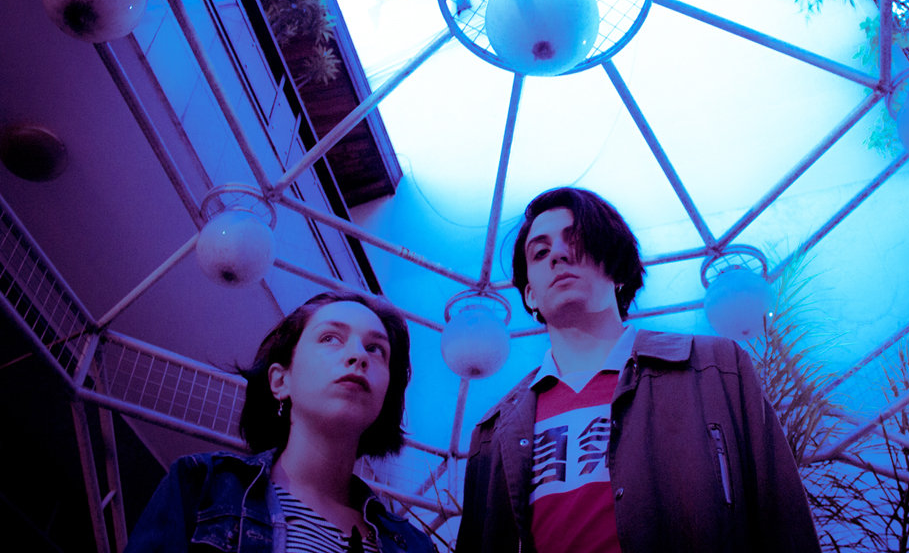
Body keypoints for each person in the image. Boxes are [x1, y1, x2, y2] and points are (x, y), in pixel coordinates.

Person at [457, 187, 821, 552]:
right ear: (530, 295)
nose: (558, 255)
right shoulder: (494, 433)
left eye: (576, 239)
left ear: (617, 267)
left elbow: (785, 524)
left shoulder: (716, 370)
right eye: (540, 252)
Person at [125, 290, 433, 553]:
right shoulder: (202, 486)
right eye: (330, 338)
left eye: (376, 349)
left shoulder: (414, 546)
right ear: (280, 380)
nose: (359, 355)